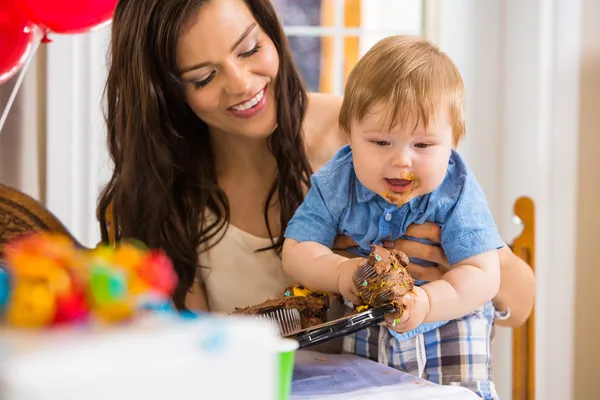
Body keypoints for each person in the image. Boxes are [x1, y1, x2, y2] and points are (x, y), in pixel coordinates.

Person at [97, 0, 534, 330]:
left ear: (271, 33)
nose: (242, 84)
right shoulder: (175, 199)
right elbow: (192, 357)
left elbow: (520, 301)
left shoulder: (373, 139)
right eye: (204, 77)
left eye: (250, 49)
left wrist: (445, 278)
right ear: (166, 92)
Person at [282, 35, 500, 398]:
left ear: (453, 143)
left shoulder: (456, 188)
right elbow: (297, 249)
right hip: (370, 331)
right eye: (381, 142)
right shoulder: (337, 183)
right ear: (349, 135)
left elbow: (484, 273)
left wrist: (428, 303)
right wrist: (339, 272)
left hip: (449, 331)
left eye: (423, 145)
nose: (402, 160)